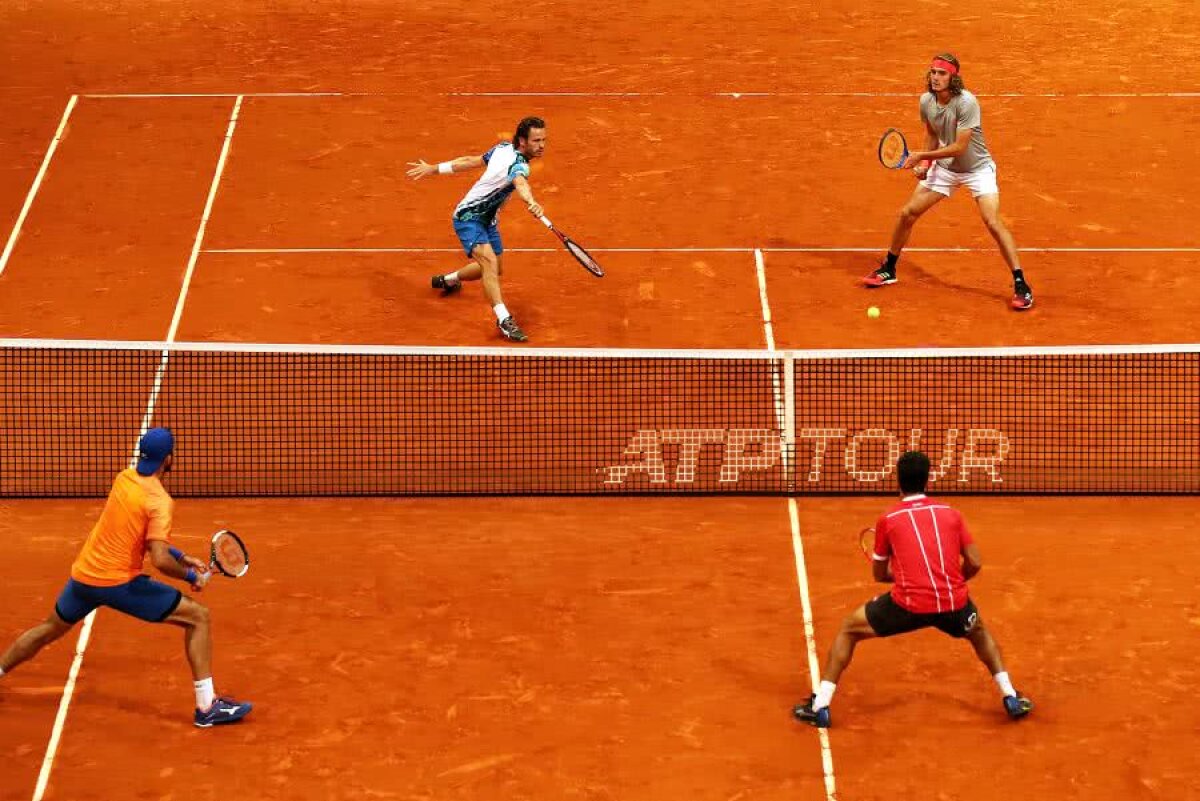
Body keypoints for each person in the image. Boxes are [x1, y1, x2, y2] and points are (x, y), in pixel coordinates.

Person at [0, 428, 252, 728]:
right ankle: (206, 706)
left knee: (48, 629)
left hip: (84, 577)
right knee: (199, 617)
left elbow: (140, 534)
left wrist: (182, 556)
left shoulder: (124, 478)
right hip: (118, 584)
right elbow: (157, 558)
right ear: (169, 460)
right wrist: (189, 576)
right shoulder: (160, 501)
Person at [793, 450, 1033, 728]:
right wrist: (953, 582)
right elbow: (975, 562)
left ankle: (820, 705)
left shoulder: (888, 520)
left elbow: (879, 574)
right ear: (927, 481)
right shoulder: (951, 514)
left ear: (898, 483)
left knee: (849, 629)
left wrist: (910, 579)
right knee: (979, 633)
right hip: (954, 603)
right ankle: (1011, 696)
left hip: (907, 606)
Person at [863, 54, 1034, 311]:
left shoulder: (967, 103)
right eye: (932, 73)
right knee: (907, 213)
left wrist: (923, 157)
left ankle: (1021, 284)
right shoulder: (926, 101)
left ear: (953, 77)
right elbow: (932, 134)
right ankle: (889, 267)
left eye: (941, 74)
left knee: (992, 221)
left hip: (977, 170)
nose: (935, 78)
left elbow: (959, 146)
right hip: (946, 170)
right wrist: (924, 165)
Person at [407, 116, 548, 342]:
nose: (541, 146)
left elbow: (471, 161)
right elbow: (519, 181)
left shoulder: (502, 147)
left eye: (543, 140)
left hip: (488, 219)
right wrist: (531, 201)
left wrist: (434, 168)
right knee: (489, 262)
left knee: (495, 267)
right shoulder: (518, 164)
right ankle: (504, 319)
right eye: (536, 141)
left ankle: (449, 280)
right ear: (522, 141)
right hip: (468, 218)